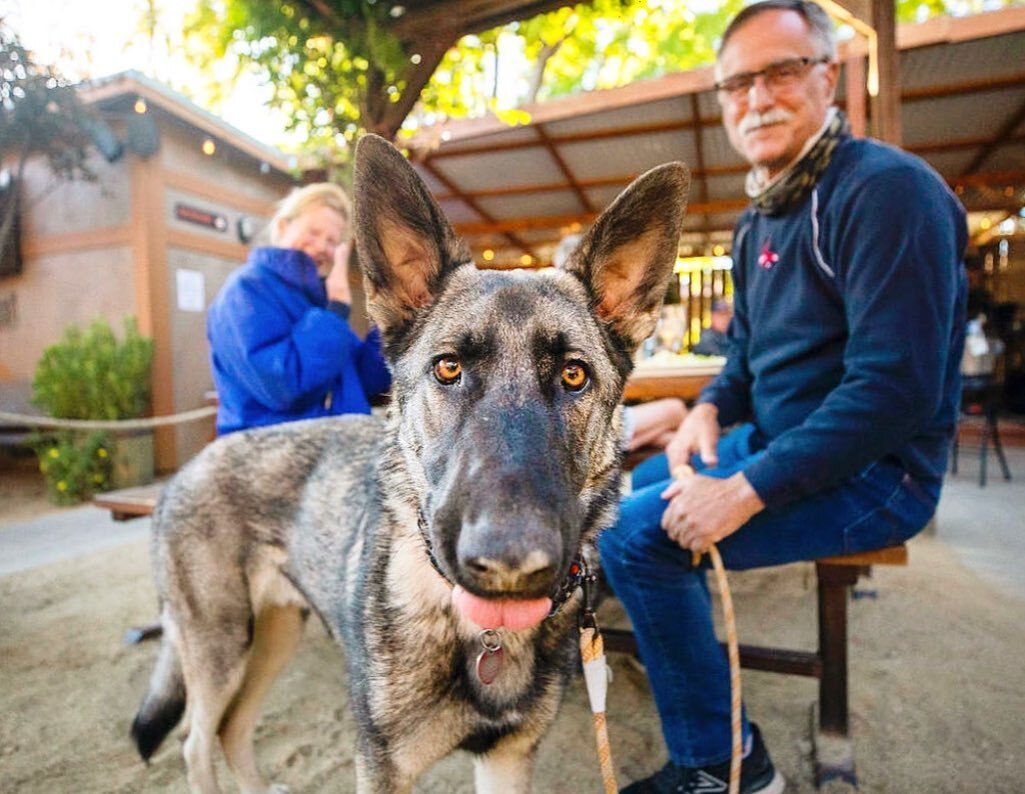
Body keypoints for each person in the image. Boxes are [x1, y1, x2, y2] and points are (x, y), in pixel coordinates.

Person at [598, 2, 967, 792]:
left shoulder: (886, 193)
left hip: (879, 475)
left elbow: (894, 392)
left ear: (826, 77)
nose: (755, 98)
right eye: (736, 83)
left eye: (780, 72)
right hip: (772, 440)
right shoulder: (756, 217)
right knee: (620, 493)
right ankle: (651, 644)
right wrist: (705, 410)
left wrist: (746, 488)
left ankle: (725, 765)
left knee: (637, 539)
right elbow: (745, 359)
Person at [207, 183, 391, 435]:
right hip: (270, 459)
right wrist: (336, 309)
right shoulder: (246, 290)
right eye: (313, 232)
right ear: (283, 226)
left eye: (332, 241)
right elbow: (284, 387)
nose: (321, 246)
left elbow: (366, 381)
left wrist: (388, 321)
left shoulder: (317, 303)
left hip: (337, 454)